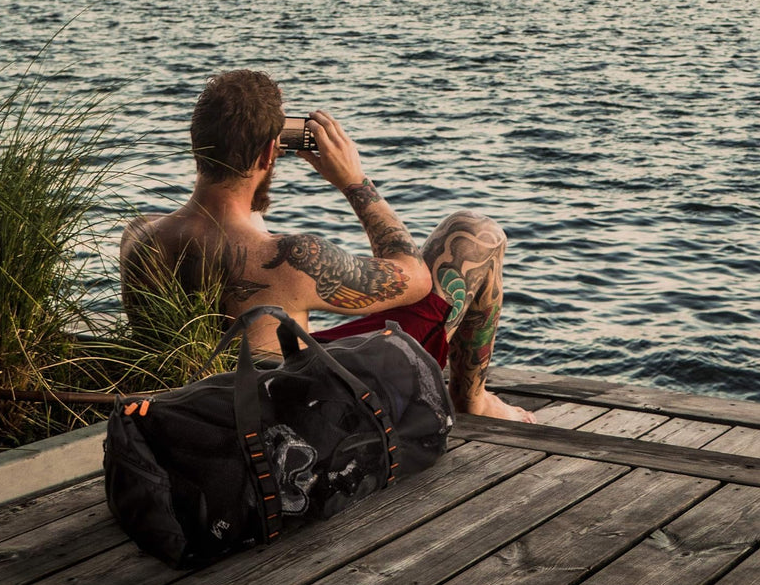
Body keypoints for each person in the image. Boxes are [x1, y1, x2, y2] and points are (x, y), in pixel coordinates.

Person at [120, 70, 534, 423]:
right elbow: (417, 278)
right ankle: (473, 401)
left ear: (196, 143)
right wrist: (354, 182)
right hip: (298, 414)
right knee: (474, 233)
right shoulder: (289, 259)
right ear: (270, 152)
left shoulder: (139, 237)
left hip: (202, 407)